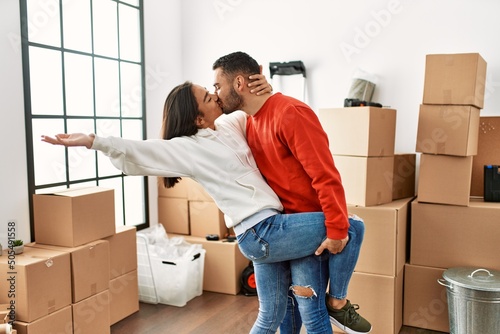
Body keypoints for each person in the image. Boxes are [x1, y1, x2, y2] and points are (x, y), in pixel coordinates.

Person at [41, 79, 359, 334]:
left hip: (269, 230)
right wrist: (94, 141)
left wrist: (264, 86)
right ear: (197, 117)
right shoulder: (187, 149)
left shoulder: (231, 125)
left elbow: (249, 105)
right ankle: (337, 302)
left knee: (273, 312)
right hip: (262, 233)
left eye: (211, 90)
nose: (214, 96)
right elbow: (140, 150)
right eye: (208, 97)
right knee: (351, 226)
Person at [212, 51, 372, 334]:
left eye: (217, 86)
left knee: (312, 316)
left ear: (238, 84)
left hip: (306, 229)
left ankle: (337, 303)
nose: (216, 94)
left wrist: (336, 230)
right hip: (279, 228)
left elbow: (325, 174)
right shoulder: (247, 122)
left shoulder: (291, 113)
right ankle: (336, 302)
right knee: (285, 317)